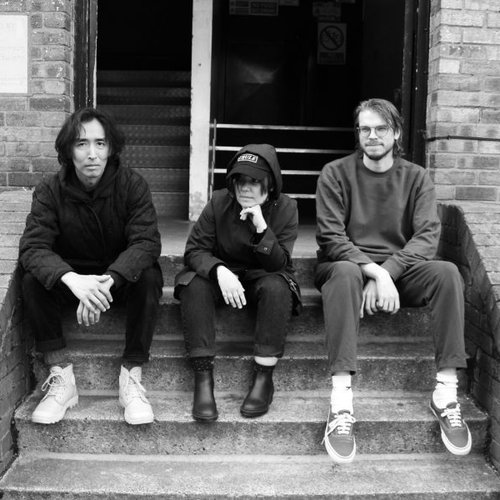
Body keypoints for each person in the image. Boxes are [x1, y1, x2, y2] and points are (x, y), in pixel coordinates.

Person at [315, 98, 471, 464]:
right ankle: (341, 402)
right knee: (345, 272)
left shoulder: (416, 177)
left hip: (400, 271)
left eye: (381, 128)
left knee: (447, 272)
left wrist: (390, 271)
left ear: (396, 132)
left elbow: (428, 237)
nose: (372, 136)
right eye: (365, 129)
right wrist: (376, 271)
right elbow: (331, 237)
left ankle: (446, 393)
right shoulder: (335, 173)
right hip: (346, 267)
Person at [19, 107, 163, 426]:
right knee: (31, 279)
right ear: (69, 150)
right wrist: (72, 279)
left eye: (100, 143)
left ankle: (132, 376)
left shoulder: (133, 185)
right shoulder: (50, 190)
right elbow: (33, 246)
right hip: (72, 281)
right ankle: (61, 375)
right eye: (82, 144)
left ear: (110, 148)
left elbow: (146, 242)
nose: (92, 154)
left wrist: (108, 280)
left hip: (117, 281)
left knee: (150, 275)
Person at [174, 144, 301, 422]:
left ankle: (263, 379)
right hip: (223, 275)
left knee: (278, 287)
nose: (245, 188)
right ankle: (203, 380)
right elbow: (194, 250)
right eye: (240, 180)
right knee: (193, 285)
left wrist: (262, 228)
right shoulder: (219, 202)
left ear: (271, 184)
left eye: (254, 181)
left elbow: (279, 264)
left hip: (263, 275)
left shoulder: (286, 208)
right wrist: (219, 270)